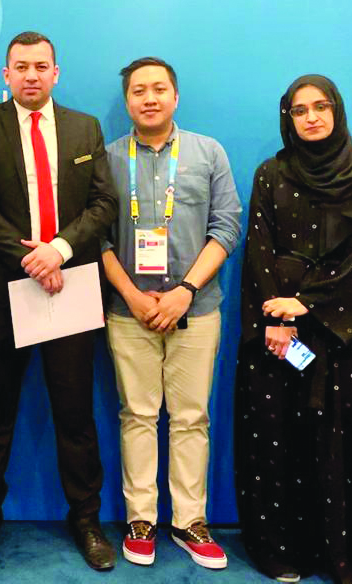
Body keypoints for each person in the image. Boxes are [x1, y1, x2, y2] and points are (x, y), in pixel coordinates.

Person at [0, 31, 118, 571]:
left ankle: (88, 521)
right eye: (20, 66)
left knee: (74, 413)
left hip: (70, 284)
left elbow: (103, 203)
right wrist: (32, 258)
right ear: (5, 75)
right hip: (2, 288)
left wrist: (60, 250)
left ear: (56, 73)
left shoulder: (84, 128)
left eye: (40, 66)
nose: (31, 75)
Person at [234, 75, 352, 584]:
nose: (311, 117)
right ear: (288, 118)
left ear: (337, 111)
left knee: (343, 441)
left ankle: (343, 554)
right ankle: (283, 551)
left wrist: (306, 304)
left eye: (320, 107)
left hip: (341, 331)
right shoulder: (270, 174)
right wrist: (276, 317)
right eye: (300, 110)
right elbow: (257, 249)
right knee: (279, 437)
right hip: (277, 330)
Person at [101, 57, 241, 571]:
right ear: (129, 101)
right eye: (139, 91)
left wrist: (185, 289)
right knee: (136, 415)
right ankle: (142, 518)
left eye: (159, 89)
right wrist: (133, 296)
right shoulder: (108, 158)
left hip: (197, 308)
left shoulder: (208, 153)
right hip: (127, 310)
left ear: (175, 97)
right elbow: (97, 236)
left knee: (190, 418)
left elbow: (226, 227)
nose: (150, 98)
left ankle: (189, 521)